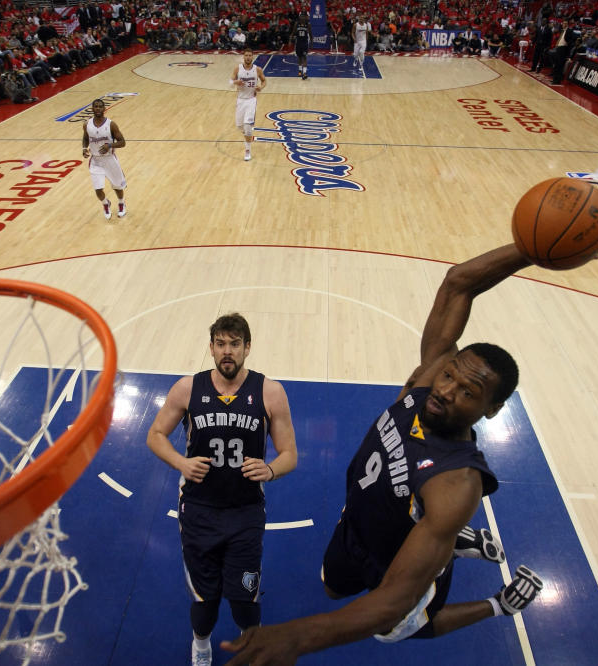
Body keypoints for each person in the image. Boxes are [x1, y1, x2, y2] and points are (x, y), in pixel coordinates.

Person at [222, 242, 575, 663]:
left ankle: (499, 604)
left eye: (468, 392)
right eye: (449, 374)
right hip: (357, 525)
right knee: (333, 587)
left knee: (396, 628)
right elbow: (458, 283)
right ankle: (445, 537)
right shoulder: (428, 381)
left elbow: (392, 600)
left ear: (493, 410)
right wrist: (530, 249)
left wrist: (298, 637)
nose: (446, 390)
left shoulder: (456, 483)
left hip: (402, 559)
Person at [147, 312, 298, 666]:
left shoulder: (269, 391)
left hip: (246, 513)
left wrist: (271, 469)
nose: (227, 351)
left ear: (247, 347)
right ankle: (201, 644)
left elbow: (290, 454)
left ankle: (253, 647)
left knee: (245, 602)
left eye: (234, 344)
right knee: (205, 601)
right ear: (211, 348)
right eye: (220, 344)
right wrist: (181, 463)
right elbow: (154, 435)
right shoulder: (188, 388)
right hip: (198, 511)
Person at [81, 97, 127, 219]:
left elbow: (122, 142)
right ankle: (106, 204)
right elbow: (86, 138)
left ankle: (121, 203)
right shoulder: (87, 124)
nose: (98, 108)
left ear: (104, 109)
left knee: (117, 186)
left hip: (109, 159)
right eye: (95, 106)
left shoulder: (111, 124)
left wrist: (110, 145)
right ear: (92, 108)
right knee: (98, 189)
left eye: (100, 106)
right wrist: (84, 149)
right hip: (96, 160)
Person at [231, 49, 266, 162]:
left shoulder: (257, 69)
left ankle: (247, 151)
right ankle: (248, 136)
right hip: (240, 100)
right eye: (246, 55)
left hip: (251, 100)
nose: (248, 57)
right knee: (239, 126)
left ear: (253, 57)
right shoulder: (238, 68)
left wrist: (261, 87)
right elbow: (230, 82)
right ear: (243, 57)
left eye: (250, 55)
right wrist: (235, 82)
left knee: (247, 127)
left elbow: (264, 81)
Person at [292, 14, 311, 79]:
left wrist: (311, 43)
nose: (302, 18)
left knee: (304, 57)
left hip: (305, 44)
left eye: (303, 16)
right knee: (299, 57)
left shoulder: (308, 25)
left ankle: (305, 73)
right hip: (298, 43)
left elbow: (311, 34)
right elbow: (293, 32)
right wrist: (290, 39)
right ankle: (300, 71)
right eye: (301, 16)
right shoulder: (296, 24)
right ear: (299, 17)